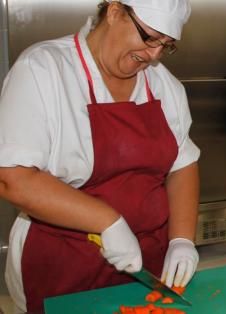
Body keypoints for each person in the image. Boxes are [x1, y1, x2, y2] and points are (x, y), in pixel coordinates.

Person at [0, 0, 200, 312]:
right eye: (150, 38)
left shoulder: (165, 87)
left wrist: (182, 240)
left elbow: (182, 165)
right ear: (115, 11)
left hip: (146, 263)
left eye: (167, 45)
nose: (154, 55)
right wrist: (107, 221)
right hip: (63, 265)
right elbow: (14, 179)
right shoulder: (43, 70)